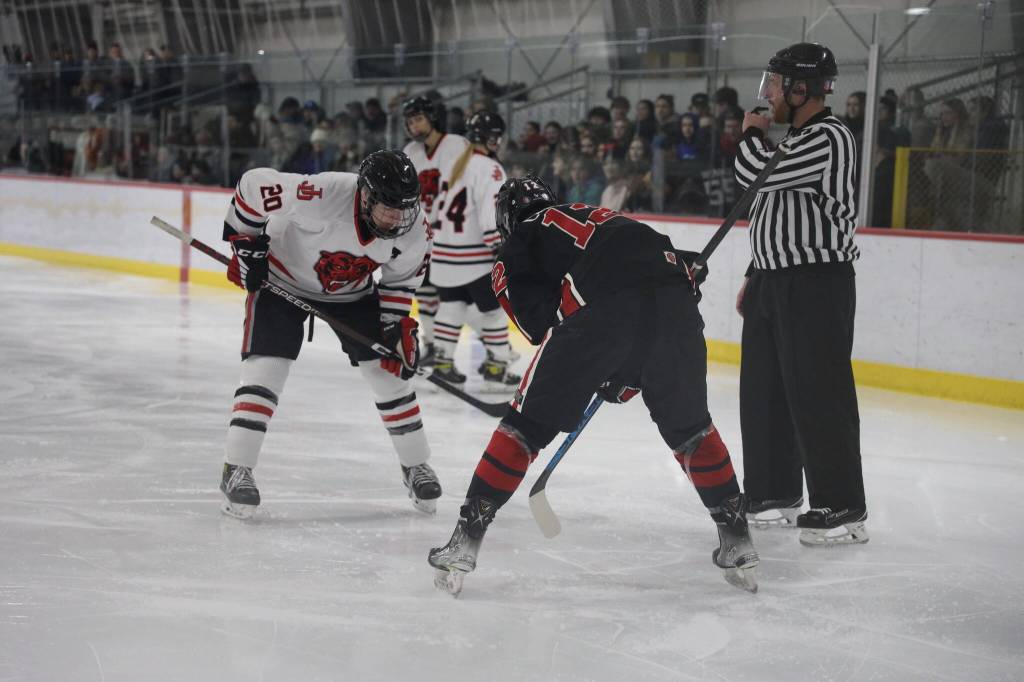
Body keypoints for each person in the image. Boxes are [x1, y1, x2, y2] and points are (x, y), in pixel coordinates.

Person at [428, 176, 760, 596]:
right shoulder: (604, 218)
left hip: (603, 309)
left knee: (524, 426)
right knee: (692, 430)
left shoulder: (519, 243)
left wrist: (599, 363)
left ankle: (464, 542)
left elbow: (542, 326)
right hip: (676, 307)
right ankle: (737, 539)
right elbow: (681, 269)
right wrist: (621, 366)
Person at [217, 150, 442, 519]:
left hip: (352, 294)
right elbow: (253, 185)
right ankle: (236, 468)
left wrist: (395, 326)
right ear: (365, 195)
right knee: (266, 370)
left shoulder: (414, 227)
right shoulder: (322, 194)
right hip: (282, 280)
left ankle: (416, 465)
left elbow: (401, 281)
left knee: (388, 375)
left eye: (404, 208)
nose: (397, 218)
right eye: (388, 207)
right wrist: (247, 249)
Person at [734, 42, 867, 546]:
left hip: (815, 283)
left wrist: (750, 134)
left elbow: (756, 177)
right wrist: (757, 269)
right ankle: (773, 492)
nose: (767, 94)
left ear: (801, 88)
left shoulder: (830, 136)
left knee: (820, 394)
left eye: (775, 83)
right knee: (764, 392)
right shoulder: (795, 138)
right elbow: (774, 209)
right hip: (774, 279)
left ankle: (843, 506)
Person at [429, 111, 521, 388]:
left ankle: (442, 361)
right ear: (492, 138)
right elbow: (488, 214)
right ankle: (496, 366)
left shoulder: (455, 163)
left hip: (443, 252)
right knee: (493, 312)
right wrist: (499, 247)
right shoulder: (490, 168)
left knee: (451, 306)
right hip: (473, 257)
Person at [402, 95, 470, 366]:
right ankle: (432, 344)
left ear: (433, 117)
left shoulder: (457, 145)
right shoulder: (411, 151)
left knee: (456, 298)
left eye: (418, 119)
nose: (413, 126)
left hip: (452, 236)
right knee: (425, 290)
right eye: (409, 121)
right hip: (421, 236)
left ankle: (491, 353)